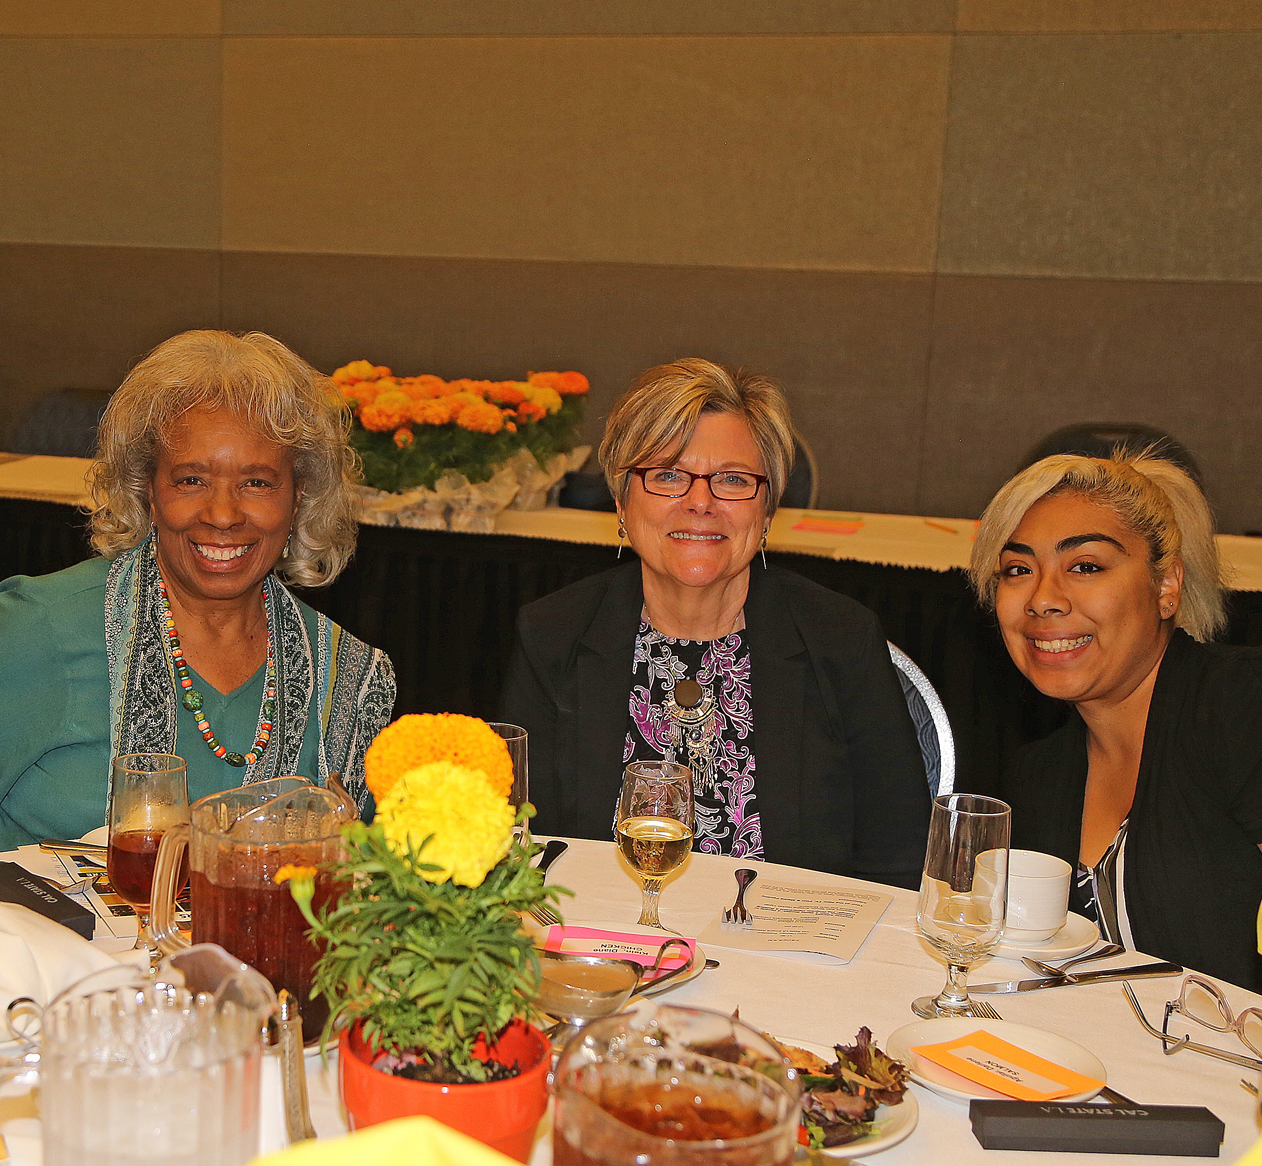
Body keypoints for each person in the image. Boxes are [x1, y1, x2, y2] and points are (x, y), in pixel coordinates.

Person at [0, 330, 396, 851]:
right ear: (147, 487)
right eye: (191, 480)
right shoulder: (38, 629)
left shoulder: (346, 678)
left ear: (299, 496)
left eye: (257, 482)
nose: (223, 515)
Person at [500, 358, 930, 887]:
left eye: (731, 479)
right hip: (602, 934)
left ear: (767, 509)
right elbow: (519, 850)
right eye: (667, 476)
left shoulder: (841, 640)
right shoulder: (552, 636)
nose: (700, 502)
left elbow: (898, 864)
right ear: (621, 501)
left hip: (788, 938)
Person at [973, 451, 1262, 991]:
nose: (1043, 599)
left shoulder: (1241, 708)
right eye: (1018, 570)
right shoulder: (1037, 776)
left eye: (1086, 566)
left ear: (1166, 586)